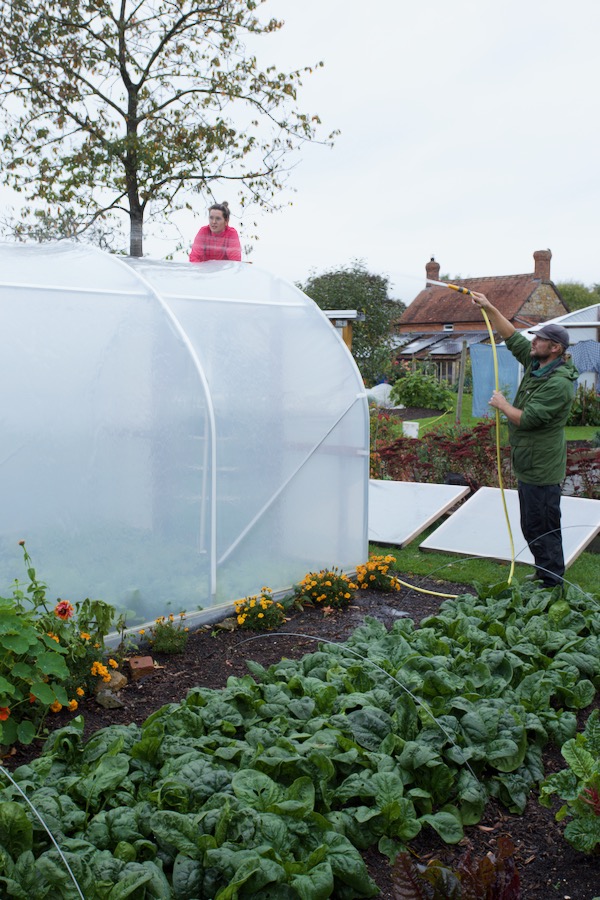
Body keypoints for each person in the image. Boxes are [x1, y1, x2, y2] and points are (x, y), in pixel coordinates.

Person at [470, 291, 578, 588]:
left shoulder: (558, 384)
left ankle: (552, 580)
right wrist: (490, 306)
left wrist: (502, 404)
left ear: (555, 348)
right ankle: (545, 571)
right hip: (528, 462)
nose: (533, 342)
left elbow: (528, 419)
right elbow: (512, 337)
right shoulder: (538, 365)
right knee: (531, 524)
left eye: (540, 340)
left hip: (542, 466)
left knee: (543, 525)